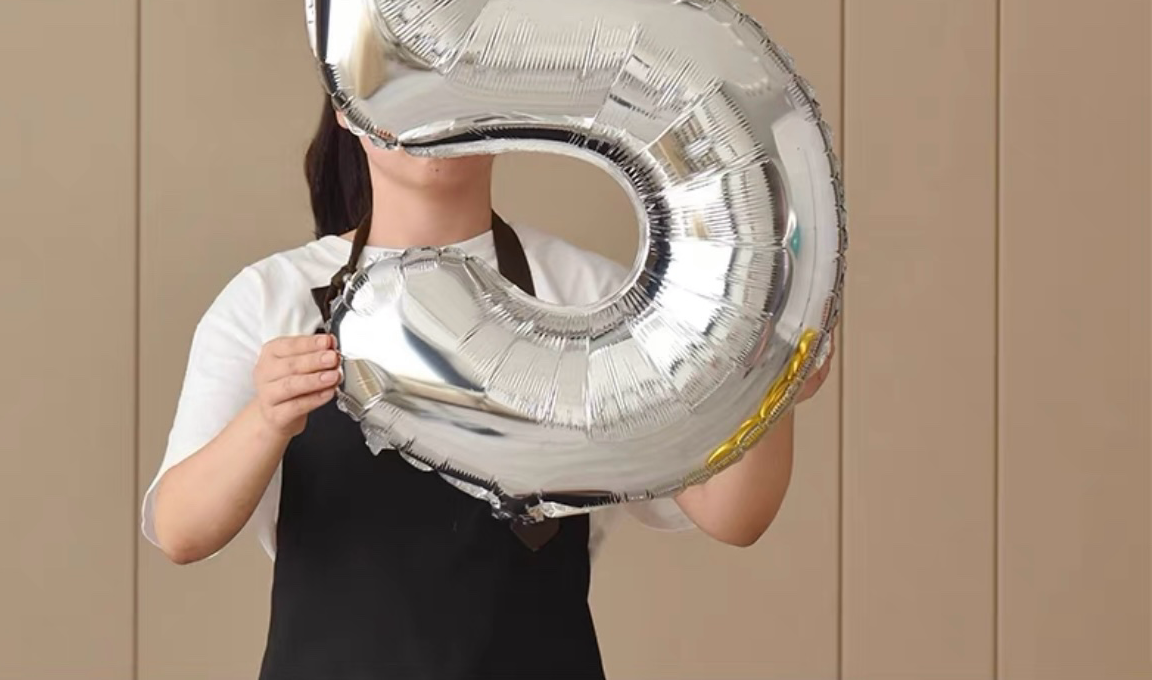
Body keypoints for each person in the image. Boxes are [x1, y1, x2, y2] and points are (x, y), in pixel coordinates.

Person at [144, 101, 833, 680]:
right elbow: (179, 528)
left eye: (456, 91)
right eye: (401, 90)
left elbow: (731, 512)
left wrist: (768, 378)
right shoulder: (271, 298)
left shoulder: (594, 297)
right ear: (351, 114)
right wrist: (266, 418)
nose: (432, 116)